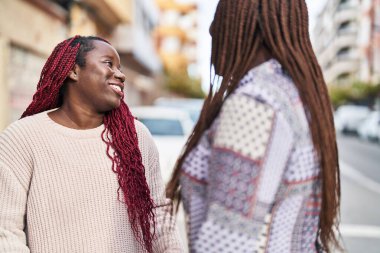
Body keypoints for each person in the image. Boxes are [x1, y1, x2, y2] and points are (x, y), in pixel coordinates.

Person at [166, 0, 341, 252]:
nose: (212, 30)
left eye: (221, 15)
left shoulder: (255, 104)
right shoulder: (291, 96)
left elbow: (224, 245)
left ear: (249, 23)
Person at [0, 36, 183, 253]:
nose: (121, 75)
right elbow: (6, 230)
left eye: (120, 67)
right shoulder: (22, 138)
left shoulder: (137, 137)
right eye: (108, 64)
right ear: (73, 71)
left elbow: (157, 214)